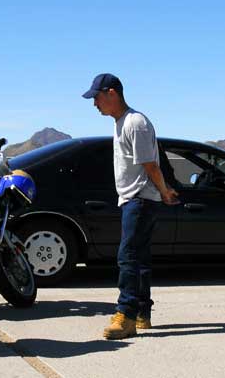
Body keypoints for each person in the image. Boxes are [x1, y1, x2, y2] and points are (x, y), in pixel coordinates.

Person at [82, 73, 179, 340]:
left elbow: (150, 165)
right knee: (140, 259)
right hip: (134, 199)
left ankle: (125, 315)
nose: (95, 104)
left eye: (97, 97)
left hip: (140, 199)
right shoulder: (121, 123)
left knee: (128, 257)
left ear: (112, 93)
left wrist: (164, 192)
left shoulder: (135, 123)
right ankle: (141, 314)